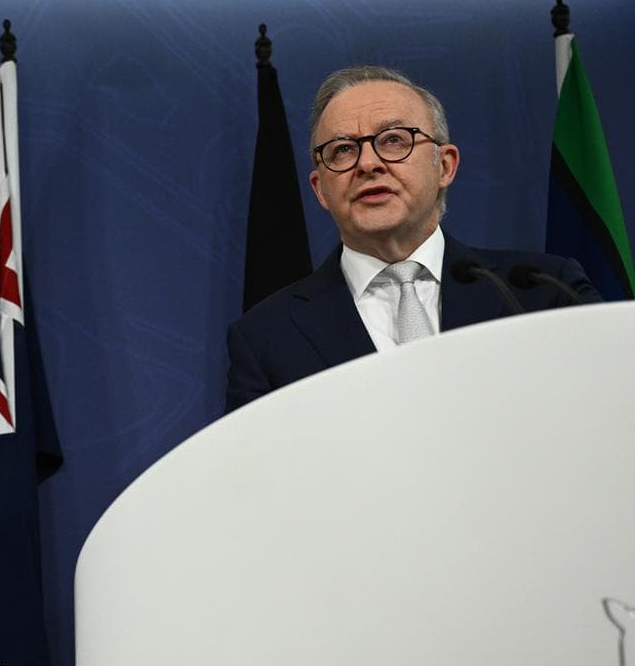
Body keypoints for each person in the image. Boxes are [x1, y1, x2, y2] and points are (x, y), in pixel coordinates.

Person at [225, 66, 601, 413]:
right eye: (343, 150)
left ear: (445, 166)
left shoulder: (545, 291)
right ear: (320, 189)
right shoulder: (265, 338)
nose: (368, 164)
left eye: (393, 140)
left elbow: (608, 413)